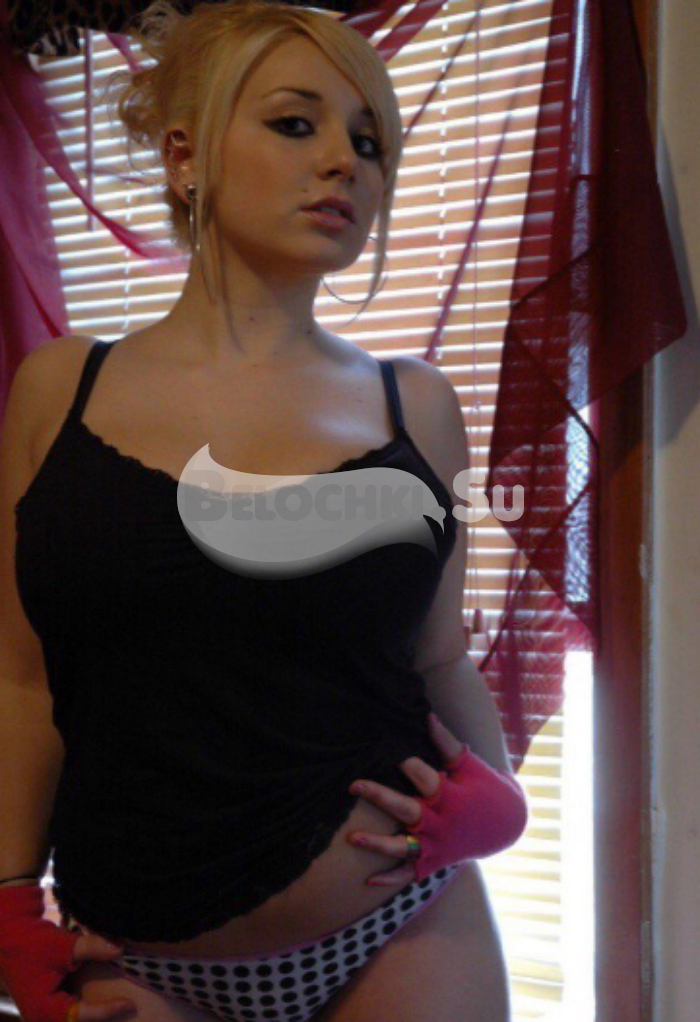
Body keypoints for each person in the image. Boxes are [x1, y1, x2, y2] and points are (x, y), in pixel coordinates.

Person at [0, 2, 528, 1021]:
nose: (343, 164)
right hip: (133, 947)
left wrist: (499, 805)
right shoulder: (58, 390)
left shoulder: (415, 404)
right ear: (184, 157)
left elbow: (437, 660)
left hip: (400, 925)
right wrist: (8, 895)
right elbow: (22, 682)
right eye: (296, 123)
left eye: (368, 144)